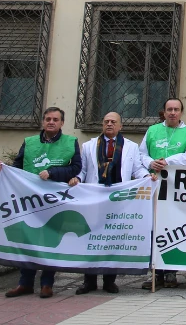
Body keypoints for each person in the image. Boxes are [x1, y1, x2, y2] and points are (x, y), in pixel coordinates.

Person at [0, 107, 82, 299]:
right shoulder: (29, 142)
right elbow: (17, 167)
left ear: (61, 123)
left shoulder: (71, 142)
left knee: (50, 239)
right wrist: (3, 170)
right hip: (29, 200)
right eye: (48, 119)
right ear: (43, 121)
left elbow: (76, 168)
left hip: (54, 200)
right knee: (29, 238)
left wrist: (53, 173)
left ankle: (47, 283)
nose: (51, 122)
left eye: (55, 119)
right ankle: (25, 283)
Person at [69, 112, 148, 295]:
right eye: (106, 122)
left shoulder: (131, 147)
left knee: (112, 239)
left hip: (118, 200)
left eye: (113, 122)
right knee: (91, 238)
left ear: (121, 126)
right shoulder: (89, 146)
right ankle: (89, 281)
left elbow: (137, 169)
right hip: (95, 199)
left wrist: (147, 177)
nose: (109, 124)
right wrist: (76, 179)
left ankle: (109, 281)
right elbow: (84, 170)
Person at [139, 97, 186, 289]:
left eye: (176, 109)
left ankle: (171, 272)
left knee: (172, 228)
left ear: (181, 112)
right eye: (169, 109)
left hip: (175, 189)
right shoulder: (152, 130)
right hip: (153, 185)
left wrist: (168, 161)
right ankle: (155, 273)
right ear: (164, 112)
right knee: (154, 228)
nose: (173, 112)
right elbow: (141, 154)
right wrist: (151, 163)